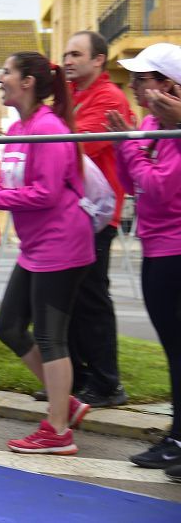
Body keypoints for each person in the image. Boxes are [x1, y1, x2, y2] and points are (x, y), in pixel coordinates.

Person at [0, 51, 94, 455]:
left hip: (62, 244)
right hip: (37, 246)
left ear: (27, 81)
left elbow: (46, 194)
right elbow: (12, 184)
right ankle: (65, 403)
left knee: (50, 337)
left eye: (7, 72)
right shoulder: (18, 127)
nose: (0, 80)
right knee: (10, 327)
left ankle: (58, 431)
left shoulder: (48, 127)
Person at [108, 43, 181, 476]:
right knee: (174, 351)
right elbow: (131, 184)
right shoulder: (155, 124)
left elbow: (158, 189)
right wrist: (124, 146)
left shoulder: (172, 130)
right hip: (156, 247)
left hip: (175, 250)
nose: (134, 86)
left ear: (170, 86)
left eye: (143, 78)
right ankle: (175, 434)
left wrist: (129, 148)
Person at [61, 30, 131, 408]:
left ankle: (107, 383)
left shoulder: (110, 98)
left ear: (98, 60)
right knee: (69, 298)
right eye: (66, 54)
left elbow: (75, 147)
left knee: (91, 298)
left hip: (97, 216)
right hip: (71, 214)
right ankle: (76, 379)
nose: (68, 61)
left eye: (76, 54)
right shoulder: (74, 95)